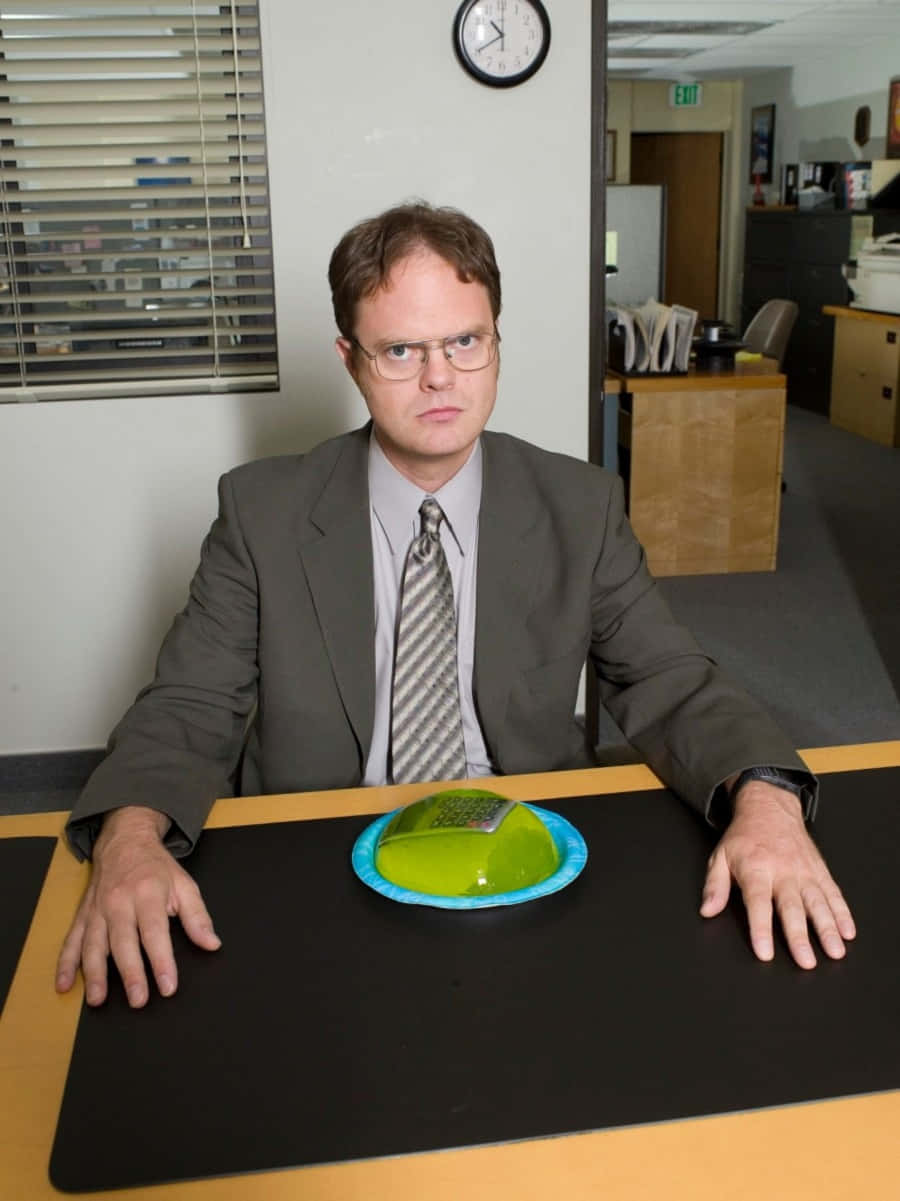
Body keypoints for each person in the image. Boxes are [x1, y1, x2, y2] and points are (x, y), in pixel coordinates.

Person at [57, 202, 855, 1010]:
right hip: (320, 863)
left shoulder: (578, 504)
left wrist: (766, 801)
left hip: (523, 857)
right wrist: (128, 840)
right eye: (400, 348)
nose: (439, 377)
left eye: (465, 341)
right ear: (351, 359)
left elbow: (670, 678)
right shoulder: (262, 513)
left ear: (496, 342)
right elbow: (191, 701)